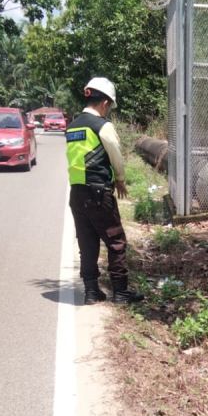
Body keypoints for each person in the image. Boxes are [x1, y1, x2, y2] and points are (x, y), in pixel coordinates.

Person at [65, 77, 144, 306]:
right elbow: (115, 155)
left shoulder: (72, 127)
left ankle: (91, 292)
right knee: (116, 240)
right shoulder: (102, 125)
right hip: (98, 192)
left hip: (77, 194)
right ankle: (120, 292)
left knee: (87, 242)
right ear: (105, 103)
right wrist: (120, 179)